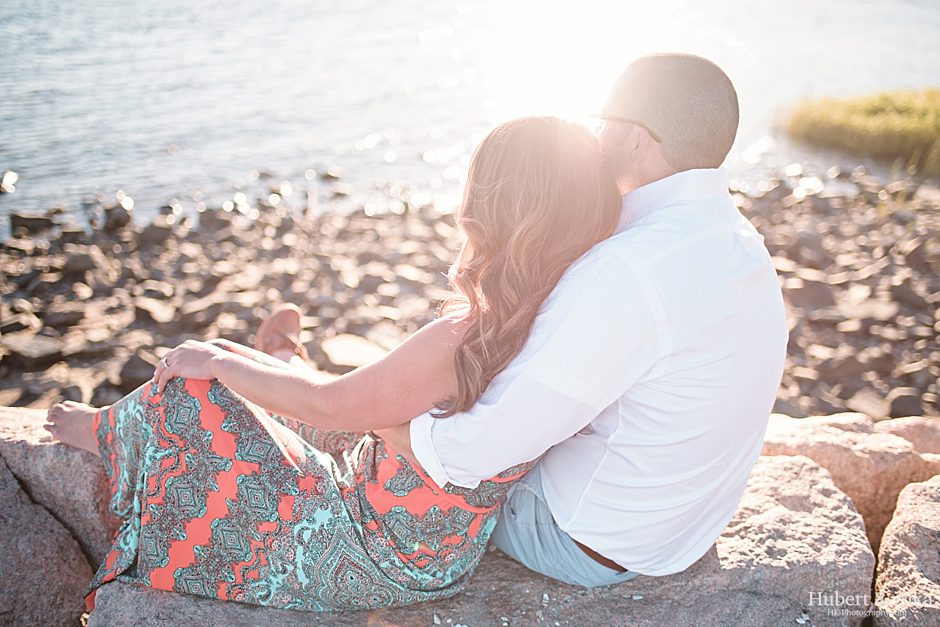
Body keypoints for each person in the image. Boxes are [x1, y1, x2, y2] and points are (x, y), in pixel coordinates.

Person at [43, 115, 623, 611]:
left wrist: (216, 363)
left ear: (488, 209)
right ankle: (280, 357)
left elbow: (334, 407)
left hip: (366, 544)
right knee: (261, 376)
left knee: (190, 386)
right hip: (437, 544)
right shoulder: (558, 321)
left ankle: (110, 432)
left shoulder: (464, 336)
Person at [375, 53, 789, 587]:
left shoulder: (631, 267)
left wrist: (387, 424)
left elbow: (475, 450)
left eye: (604, 123)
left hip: (587, 540)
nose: (595, 137)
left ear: (637, 140)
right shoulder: (738, 240)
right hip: (684, 527)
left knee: (412, 432)